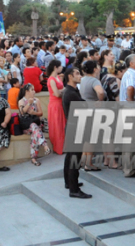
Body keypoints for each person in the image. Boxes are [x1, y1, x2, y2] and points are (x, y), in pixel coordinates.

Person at [62, 67, 91, 199]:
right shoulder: (70, 93)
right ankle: (74, 189)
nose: (80, 76)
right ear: (70, 76)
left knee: (70, 157)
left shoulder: (72, 91)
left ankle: (69, 183)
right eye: (77, 74)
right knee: (74, 159)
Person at [18, 84, 51, 166]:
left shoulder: (37, 100)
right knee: (33, 127)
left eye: (34, 89)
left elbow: (40, 113)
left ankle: (34, 158)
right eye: (32, 90)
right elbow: (22, 112)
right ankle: (45, 145)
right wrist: (29, 103)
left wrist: (34, 113)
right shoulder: (21, 101)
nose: (34, 91)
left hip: (35, 125)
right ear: (27, 91)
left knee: (34, 133)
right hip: (26, 126)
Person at [46, 59, 66, 155]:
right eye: (60, 66)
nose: (61, 67)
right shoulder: (51, 79)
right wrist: (63, 91)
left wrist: (61, 91)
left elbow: (58, 92)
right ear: (55, 67)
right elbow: (57, 94)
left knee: (62, 125)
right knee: (58, 126)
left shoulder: (57, 77)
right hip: (55, 105)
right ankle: (59, 147)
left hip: (60, 103)